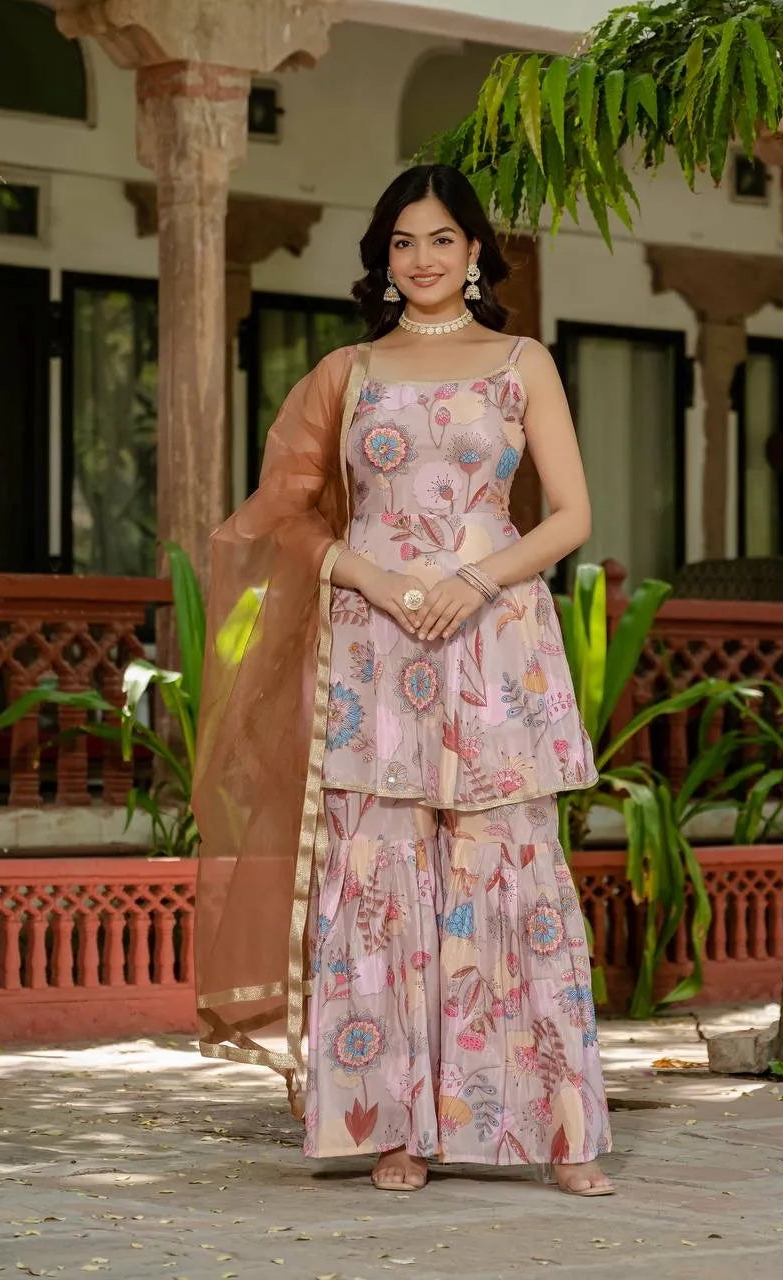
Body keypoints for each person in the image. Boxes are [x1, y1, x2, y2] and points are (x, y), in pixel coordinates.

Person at [193, 163, 614, 1197]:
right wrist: (375, 577)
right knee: (380, 871)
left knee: (505, 862)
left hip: (494, 633)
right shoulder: (349, 374)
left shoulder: (523, 363)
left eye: (440, 239)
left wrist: (473, 578)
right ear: (385, 261)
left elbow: (570, 514)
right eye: (402, 243)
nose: (421, 259)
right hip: (377, 638)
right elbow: (283, 518)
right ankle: (396, 1126)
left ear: (475, 252)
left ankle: (561, 1128)